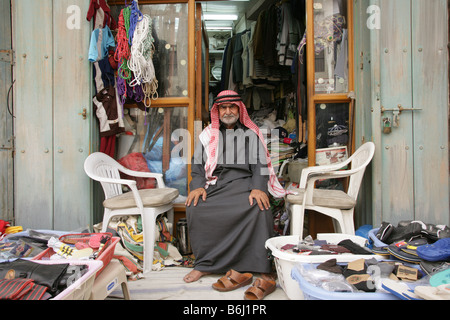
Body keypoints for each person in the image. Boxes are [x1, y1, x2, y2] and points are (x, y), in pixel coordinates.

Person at [183, 90, 287, 283]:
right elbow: (197, 166)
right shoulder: (207, 135)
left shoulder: (251, 132)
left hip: (245, 184)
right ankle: (205, 265)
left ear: (239, 109)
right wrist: (197, 186)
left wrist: (258, 187)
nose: (228, 111)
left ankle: (260, 266)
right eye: (223, 107)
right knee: (196, 207)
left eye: (232, 107)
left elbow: (260, 165)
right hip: (217, 184)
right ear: (218, 110)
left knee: (259, 207)